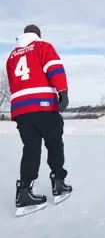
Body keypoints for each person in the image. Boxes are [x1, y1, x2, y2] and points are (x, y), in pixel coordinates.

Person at [6, 24, 72, 216]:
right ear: (38, 35)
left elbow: (13, 81)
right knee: (54, 143)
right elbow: (55, 68)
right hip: (43, 105)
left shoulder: (12, 55)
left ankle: (24, 193)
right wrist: (63, 94)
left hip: (21, 109)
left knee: (31, 148)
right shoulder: (42, 47)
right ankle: (59, 184)